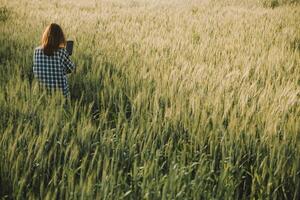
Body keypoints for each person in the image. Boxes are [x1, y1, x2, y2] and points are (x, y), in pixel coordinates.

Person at [33, 23, 75, 97]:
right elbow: (72, 69)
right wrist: (67, 56)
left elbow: (36, 70)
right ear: (60, 37)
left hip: (42, 94)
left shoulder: (37, 51)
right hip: (60, 95)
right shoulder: (62, 52)